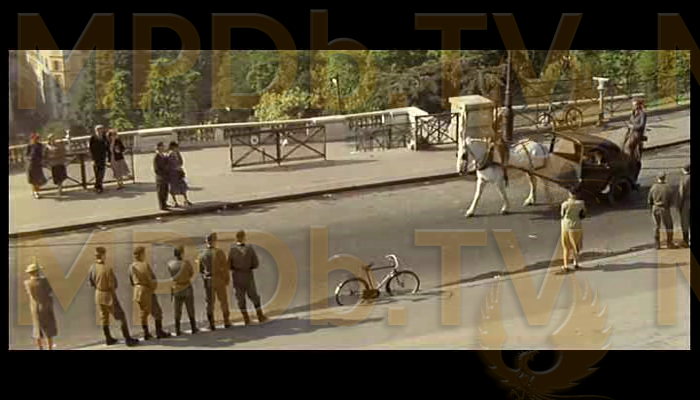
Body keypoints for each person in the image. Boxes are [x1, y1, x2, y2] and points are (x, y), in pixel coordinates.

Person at [87, 247, 139, 347]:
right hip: (109, 296)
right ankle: (128, 339)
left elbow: (91, 283)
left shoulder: (92, 267)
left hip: (98, 295)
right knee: (121, 317)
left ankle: (108, 338)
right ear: (103, 255)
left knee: (104, 318)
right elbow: (114, 285)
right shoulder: (107, 268)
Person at [128, 246, 171, 340]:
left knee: (143, 313)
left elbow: (131, 281)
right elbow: (150, 279)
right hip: (146, 291)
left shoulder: (131, 266)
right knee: (157, 312)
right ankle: (159, 332)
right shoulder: (145, 265)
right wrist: (153, 287)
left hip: (137, 292)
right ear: (141, 255)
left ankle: (146, 333)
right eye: (144, 253)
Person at [229, 230, 267, 325]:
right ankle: (260, 316)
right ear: (244, 237)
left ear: (236, 238)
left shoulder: (232, 250)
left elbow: (229, 265)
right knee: (254, 296)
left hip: (237, 277)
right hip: (248, 275)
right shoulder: (249, 249)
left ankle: (246, 319)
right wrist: (248, 267)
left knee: (240, 298)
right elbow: (255, 263)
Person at [196, 233, 232, 330]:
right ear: (214, 241)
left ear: (206, 242)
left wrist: (205, 278)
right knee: (223, 301)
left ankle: (211, 324)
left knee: (209, 303)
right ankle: (226, 321)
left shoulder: (201, 254)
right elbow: (225, 267)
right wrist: (227, 279)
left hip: (208, 280)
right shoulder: (219, 252)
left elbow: (200, 270)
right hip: (219, 279)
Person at [24, 259, 58, 350]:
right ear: (36, 272)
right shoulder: (44, 281)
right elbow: (49, 291)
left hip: (35, 308)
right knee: (49, 329)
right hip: (46, 306)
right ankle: (49, 348)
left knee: (37, 330)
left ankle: (40, 348)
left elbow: (31, 295)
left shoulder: (27, 283)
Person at [167, 246, 199, 336]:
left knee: (177, 310)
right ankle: (193, 328)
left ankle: (177, 330)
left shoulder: (170, 264)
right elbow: (191, 273)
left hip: (177, 287)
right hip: (186, 287)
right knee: (190, 308)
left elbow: (171, 274)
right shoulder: (186, 263)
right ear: (181, 253)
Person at [648, 172, 677, 249]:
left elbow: (649, 200)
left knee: (656, 226)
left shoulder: (653, 187)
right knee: (669, 226)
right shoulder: (668, 187)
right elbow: (671, 200)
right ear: (665, 177)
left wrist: (652, 208)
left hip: (655, 207)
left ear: (657, 177)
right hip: (665, 208)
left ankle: (657, 244)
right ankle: (669, 243)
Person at [560, 190, 587, 271]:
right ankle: (576, 263)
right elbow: (584, 214)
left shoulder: (564, 204)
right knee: (576, 245)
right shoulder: (581, 203)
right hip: (577, 226)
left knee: (566, 247)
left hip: (566, 226)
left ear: (569, 194)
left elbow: (562, 214)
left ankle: (565, 265)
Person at [626, 98, 647, 187]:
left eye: (634, 105)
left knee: (636, 159)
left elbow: (641, 126)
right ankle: (629, 176)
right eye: (632, 105)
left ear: (638, 105)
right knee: (628, 157)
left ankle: (634, 178)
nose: (633, 106)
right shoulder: (633, 113)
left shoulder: (643, 114)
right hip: (631, 136)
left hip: (637, 138)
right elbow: (630, 122)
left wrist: (632, 126)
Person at [167, 142, 193, 207]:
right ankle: (175, 202)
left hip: (178, 172)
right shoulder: (170, 154)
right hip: (173, 173)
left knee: (182, 186)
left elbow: (181, 161)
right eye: (176, 147)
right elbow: (170, 164)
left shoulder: (177, 153)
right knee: (173, 188)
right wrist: (176, 168)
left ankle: (185, 200)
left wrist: (179, 167)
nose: (177, 148)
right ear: (173, 147)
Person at [89, 125, 110, 193]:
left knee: (102, 172)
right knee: (97, 173)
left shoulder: (104, 137)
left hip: (103, 157)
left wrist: (109, 158)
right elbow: (91, 149)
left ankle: (98, 187)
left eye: (101, 129)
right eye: (98, 129)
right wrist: (92, 159)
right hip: (95, 158)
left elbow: (107, 147)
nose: (100, 131)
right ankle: (98, 187)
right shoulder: (93, 138)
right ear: (95, 130)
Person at [26, 132, 48, 199]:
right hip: (31, 164)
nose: (36, 139)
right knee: (33, 180)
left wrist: (43, 160)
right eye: (34, 138)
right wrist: (29, 159)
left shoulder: (40, 145)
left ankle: (36, 190)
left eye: (37, 138)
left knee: (39, 179)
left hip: (38, 164)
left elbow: (42, 154)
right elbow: (26, 155)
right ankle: (35, 192)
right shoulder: (29, 145)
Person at [154, 142, 171, 211]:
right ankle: (162, 205)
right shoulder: (157, 156)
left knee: (165, 190)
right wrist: (161, 175)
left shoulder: (163, 155)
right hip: (161, 177)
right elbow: (156, 168)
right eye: (162, 146)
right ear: (159, 147)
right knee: (161, 191)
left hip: (165, 176)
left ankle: (165, 203)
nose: (164, 147)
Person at [678, 164, 690, 247]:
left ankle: (685, 241)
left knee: (685, 222)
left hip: (686, 202)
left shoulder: (684, 179)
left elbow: (681, 193)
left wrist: (679, 205)